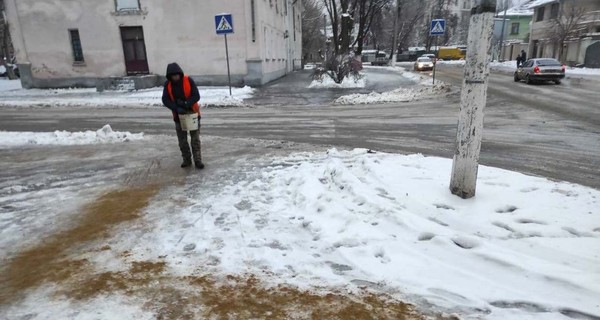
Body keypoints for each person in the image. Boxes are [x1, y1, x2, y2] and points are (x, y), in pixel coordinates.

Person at [162, 63, 204, 169]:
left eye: (177, 75)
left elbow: (196, 95)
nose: (175, 77)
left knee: (195, 139)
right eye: (173, 75)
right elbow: (165, 99)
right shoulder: (168, 85)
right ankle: (186, 159)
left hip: (192, 114)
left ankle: (198, 160)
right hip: (178, 116)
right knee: (182, 141)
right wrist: (175, 107)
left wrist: (186, 104)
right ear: (170, 76)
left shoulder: (188, 80)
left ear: (180, 74)